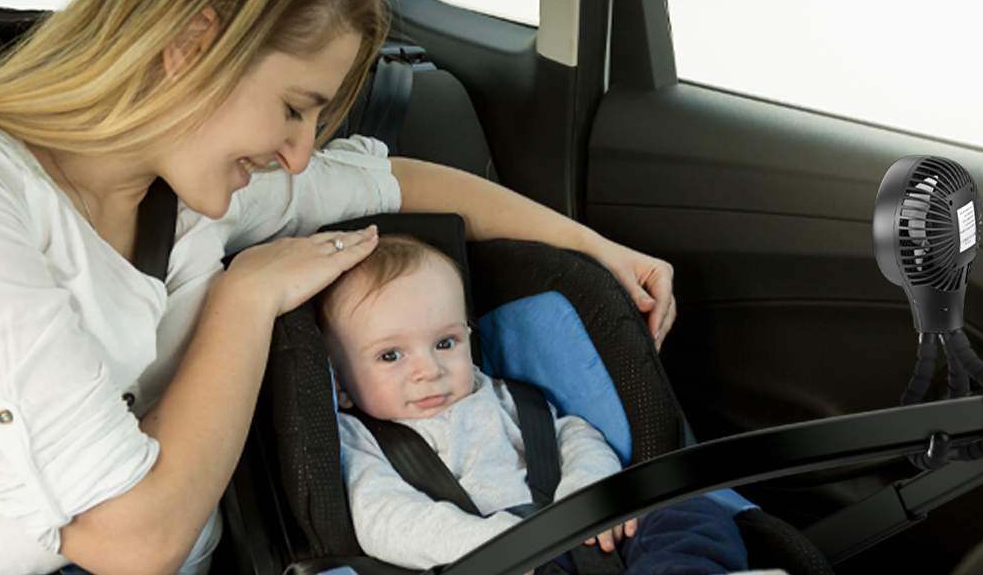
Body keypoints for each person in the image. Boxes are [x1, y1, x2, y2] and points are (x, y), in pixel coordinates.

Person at [0, 0, 676, 574]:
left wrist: (600, 250)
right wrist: (244, 297)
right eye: (294, 108)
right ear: (195, 43)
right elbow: (130, 539)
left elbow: (395, 181)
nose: (301, 155)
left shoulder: (194, 195)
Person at [318, 234, 755, 575]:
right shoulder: (357, 439)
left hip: (582, 531)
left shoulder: (502, 395)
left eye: (445, 343)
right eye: (390, 355)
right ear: (339, 382)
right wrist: (494, 545)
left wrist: (587, 492)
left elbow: (575, 435)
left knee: (688, 512)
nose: (428, 370)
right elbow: (383, 518)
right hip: (484, 558)